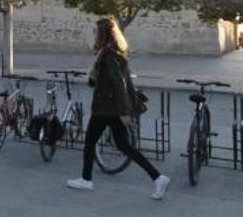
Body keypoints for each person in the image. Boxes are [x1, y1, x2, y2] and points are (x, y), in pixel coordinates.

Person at [67, 18, 170, 200]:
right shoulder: (114, 53)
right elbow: (109, 81)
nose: (93, 34)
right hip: (111, 107)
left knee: (90, 142)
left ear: (102, 34)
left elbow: (119, 84)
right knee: (123, 145)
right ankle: (158, 177)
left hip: (106, 108)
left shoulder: (107, 55)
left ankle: (86, 179)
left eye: (95, 31)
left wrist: (124, 112)